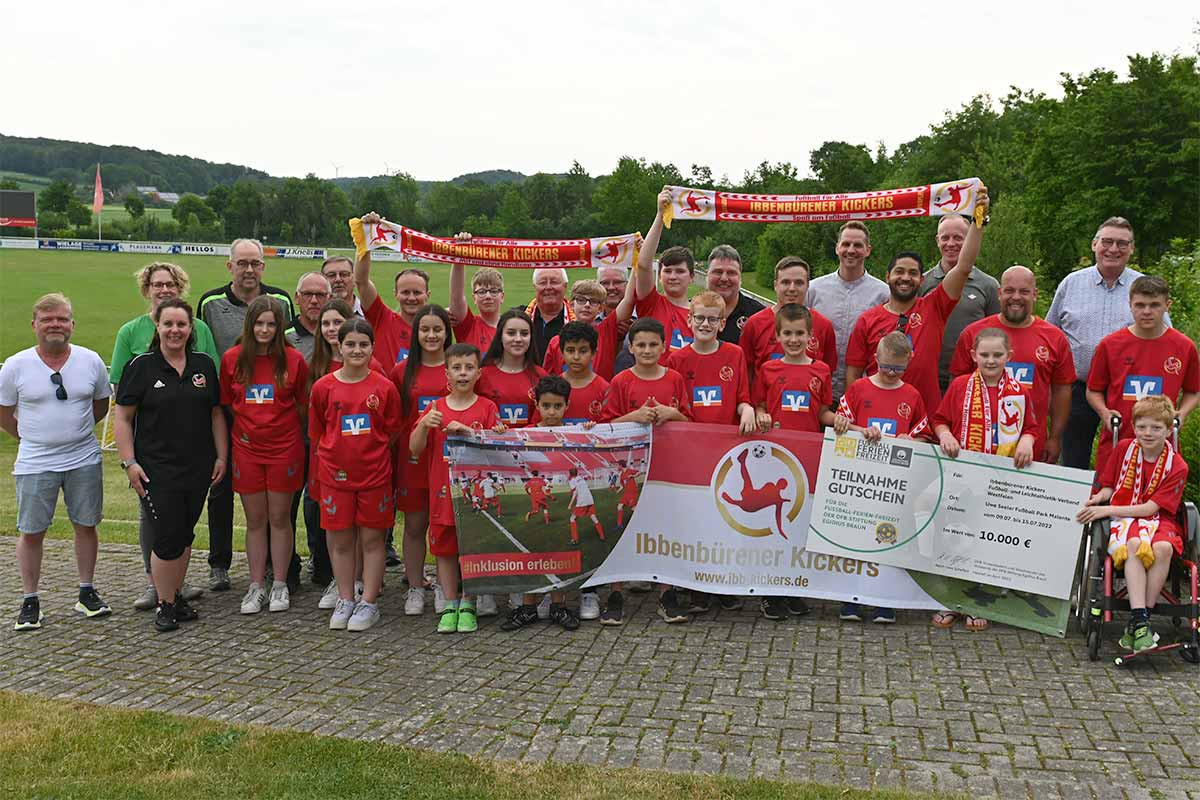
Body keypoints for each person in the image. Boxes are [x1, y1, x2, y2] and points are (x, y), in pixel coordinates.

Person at [113, 298, 228, 632]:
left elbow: (216, 414)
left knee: (185, 532)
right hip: (156, 468)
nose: (175, 330)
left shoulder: (204, 364)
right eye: (169, 324)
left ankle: (175, 596)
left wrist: (221, 456)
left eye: (181, 324)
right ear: (158, 327)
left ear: (191, 329)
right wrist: (129, 462)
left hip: (199, 465)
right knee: (167, 535)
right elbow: (123, 417)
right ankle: (164, 605)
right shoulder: (141, 366)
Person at [1, 293, 112, 631]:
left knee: (86, 524)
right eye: (48, 319)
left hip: (83, 457)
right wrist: (31, 437)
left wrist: (73, 433)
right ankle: (30, 599)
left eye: (62, 319)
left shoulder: (90, 360)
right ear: (35, 325)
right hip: (35, 461)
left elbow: (101, 405)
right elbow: (4, 413)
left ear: (72, 325)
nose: (56, 325)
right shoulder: (15, 365)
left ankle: (86, 591)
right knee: (32, 530)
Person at [198, 237, 295, 592]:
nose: (249, 269)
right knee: (220, 489)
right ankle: (219, 563)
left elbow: (290, 346)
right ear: (230, 266)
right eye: (242, 263)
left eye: (255, 263)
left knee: (276, 502)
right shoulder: (210, 301)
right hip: (228, 408)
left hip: (273, 416)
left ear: (263, 266)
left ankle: (276, 566)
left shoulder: (281, 299)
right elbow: (201, 347)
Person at [845, 189, 990, 415]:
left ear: (921, 280)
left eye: (912, 273)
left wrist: (978, 222)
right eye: (899, 272)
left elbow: (963, 267)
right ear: (887, 276)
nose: (905, 277)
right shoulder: (868, 319)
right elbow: (853, 374)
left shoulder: (934, 307)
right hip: (875, 416)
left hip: (924, 417)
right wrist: (852, 414)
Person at [931, 327, 1038, 632]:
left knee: (986, 538)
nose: (991, 361)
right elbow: (939, 420)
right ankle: (949, 598)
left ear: (1009, 356)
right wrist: (946, 434)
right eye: (985, 355)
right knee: (954, 534)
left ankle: (977, 600)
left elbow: (1032, 427)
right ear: (973, 355)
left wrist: (1028, 441)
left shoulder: (1019, 392)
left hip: (1000, 479)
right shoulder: (961, 386)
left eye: (997, 355)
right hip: (962, 475)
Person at [1046, 217, 1165, 469]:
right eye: (1107, 242)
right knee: (1073, 463)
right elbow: (1051, 336)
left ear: (1132, 249)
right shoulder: (1071, 283)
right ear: (1094, 245)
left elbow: (1165, 338)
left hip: (1131, 392)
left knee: (1128, 462)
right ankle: (1076, 508)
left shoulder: (1144, 287)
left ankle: (1118, 509)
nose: (1113, 249)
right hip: (1077, 389)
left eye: (1122, 243)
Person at [308, 318, 403, 632]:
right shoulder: (324, 387)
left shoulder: (384, 387)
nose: (357, 350)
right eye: (351, 344)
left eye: (364, 344)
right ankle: (346, 597)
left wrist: (369, 455)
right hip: (335, 478)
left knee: (373, 541)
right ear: (339, 346)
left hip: (374, 477)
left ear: (372, 348)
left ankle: (369, 602)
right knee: (341, 542)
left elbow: (391, 430)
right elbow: (318, 432)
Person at [666, 291, 756, 616]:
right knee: (695, 520)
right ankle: (696, 586)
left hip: (727, 452)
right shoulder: (676, 360)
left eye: (712, 319)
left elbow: (743, 396)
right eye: (699, 318)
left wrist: (746, 409)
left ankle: (724, 584)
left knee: (726, 519)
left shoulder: (734, 354)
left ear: (722, 323)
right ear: (689, 321)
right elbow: (675, 405)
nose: (705, 324)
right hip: (691, 454)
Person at [833, 331, 932, 625]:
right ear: (875, 358)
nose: (890, 373)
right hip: (859, 482)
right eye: (886, 366)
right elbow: (840, 423)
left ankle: (884, 602)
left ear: (908, 362)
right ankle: (850, 598)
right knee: (855, 538)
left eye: (898, 369)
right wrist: (858, 430)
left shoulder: (912, 395)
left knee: (888, 539)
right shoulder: (859, 389)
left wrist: (909, 440)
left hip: (894, 486)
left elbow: (924, 435)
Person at [1076, 396, 1189, 652]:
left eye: (1156, 428)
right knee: (1136, 543)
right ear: (1134, 426)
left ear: (1169, 430)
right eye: (1142, 427)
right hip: (1126, 519)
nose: (1147, 433)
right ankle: (1141, 622)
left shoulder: (1177, 465)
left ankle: (1140, 620)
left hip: (1160, 519)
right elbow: (1108, 486)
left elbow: (1151, 509)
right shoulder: (1124, 448)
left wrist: (1107, 508)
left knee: (1163, 549)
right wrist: (1097, 499)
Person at [219, 296, 309, 615]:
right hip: (247, 450)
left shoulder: (294, 360)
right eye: (260, 323)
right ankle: (256, 585)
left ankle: (280, 583)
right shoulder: (232, 359)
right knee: (256, 520)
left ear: (280, 326)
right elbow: (228, 403)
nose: (265, 329)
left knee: (280, 518)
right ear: (250, 324)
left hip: (285, 449)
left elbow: (301, 405)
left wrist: (277, 428)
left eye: (272, 324)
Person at [604, 317, 692, 624]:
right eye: (640, 344)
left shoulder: (675, 379)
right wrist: (635, 416)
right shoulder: (621, 381)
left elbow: (692, 426)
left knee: (666, 529)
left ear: (664, 346)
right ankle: (615, 592)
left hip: (667, 467)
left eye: (653, 344)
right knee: (624, 528)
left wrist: (673, 413)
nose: (647, 349)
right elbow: (607, 427)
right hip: (632, 468)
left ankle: (667, 593)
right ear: (630, 347)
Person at [409, 343, 501, 635]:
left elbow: (496, 452)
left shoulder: (487, 407)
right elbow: (414, 449)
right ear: (446, 372)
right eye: (457, 368)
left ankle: (469, 602)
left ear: (478, 373)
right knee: (445, 549)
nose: (463, 373)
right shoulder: (435, 407)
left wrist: (475, 433)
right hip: (442, 492)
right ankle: (450, 603)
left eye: (469, 368)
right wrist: (424, 425)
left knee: (470, 547)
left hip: (472, 494)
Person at [751, 303, 835, 622]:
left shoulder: (821, 370)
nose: (794, 339)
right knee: (776, 525)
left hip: (808, 459)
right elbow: (760, 405)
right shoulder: (769, 370)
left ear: (811, 336)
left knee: (800, 523)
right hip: (775, 461)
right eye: (788, 333)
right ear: (777, 336)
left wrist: (837, 421)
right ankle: (771, 591)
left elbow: (823, 411)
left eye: (800, 333)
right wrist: (761, 415)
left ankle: (793, 587)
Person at [950, 266, 1075, 463]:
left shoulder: (1054, 338)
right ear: (999, 294)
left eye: (1024, 291)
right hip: (975, 445)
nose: (1016, 297)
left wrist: (1055, 437)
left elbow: (1062, 390)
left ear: (1035, 295)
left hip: (1029, 446)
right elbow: (956, 388)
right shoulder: (973, 333)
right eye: (1009, 291)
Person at [1086, 275, 1199, 478]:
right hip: (1117, 443)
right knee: (1110, 502)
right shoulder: (1110, 345)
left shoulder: (1184, 346)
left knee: (1156, 504)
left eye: (1154, 305)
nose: (1146, 312)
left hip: (1162, 445)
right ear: (1130, 305)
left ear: (1167, 305)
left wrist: (1182, 414)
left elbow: (1193, 391)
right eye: (1140, 305)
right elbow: (1093, 390)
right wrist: (1104, 412)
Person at [500, 376, 583, 632]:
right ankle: (527, 607)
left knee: (558, 551)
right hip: (537, 494)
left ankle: (559, 605)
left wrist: (589, 428)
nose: (551, 412)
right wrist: (501, 433)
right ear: (536, 404)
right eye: (546, 405)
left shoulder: (571, 433)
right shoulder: (524, 433)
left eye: (557, 406)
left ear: (567, 406)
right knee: (530, 555)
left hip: (550, 491)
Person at [391, 304, 453, 616]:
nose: (431, 335)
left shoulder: (457, 366)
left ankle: (445, 585)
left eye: (437, 329)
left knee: (446, 527)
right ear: (416, 334)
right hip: (412, 460)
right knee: (415, 526)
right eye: (424, 329)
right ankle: (415, 586)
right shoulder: (402, 371)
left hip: (449, 462)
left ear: (446, 332)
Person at [806, 221, 890, 398]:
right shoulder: (813, 290)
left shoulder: (883, 294)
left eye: (858, 245)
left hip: (863, 392)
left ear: (868, 250)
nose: (851, 250)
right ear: (837, 248)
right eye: (846, 244)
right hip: (816, 389)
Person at [918, 214, 1001, 392]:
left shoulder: (988, 285)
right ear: (937, 240)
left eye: (958, 238)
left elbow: (997, 334)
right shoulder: (921, 282)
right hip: (929, 378)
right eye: (945, 238)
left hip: (973, 378)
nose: (951, 244)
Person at [739, 257, 837, 382]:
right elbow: (746, 372)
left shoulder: (823, 326)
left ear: (808, 285)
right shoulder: (754, 324)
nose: (792, 288)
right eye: (785, 282)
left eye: (799, 283)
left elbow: (827, 372)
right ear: (775, 285)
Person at [353, 213, 432, 367]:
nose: (411, 297)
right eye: (405, 292)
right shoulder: (382, 319)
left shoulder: (435, 330)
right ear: (395, 294)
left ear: (427, 295)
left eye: (417, 292)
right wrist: (367, 237)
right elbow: (361, 281)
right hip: (385, 391)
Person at [635, 189, 697, 356]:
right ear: (660, 277)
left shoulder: (701, 314)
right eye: (667, 271)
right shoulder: (652, 303)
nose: (673, 276)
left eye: (680, 271)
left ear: (692, 277)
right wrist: (660, 215)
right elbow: (643, 265)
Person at [541, 279, 633, 380]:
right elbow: (547, 379)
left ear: (600, 308)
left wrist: (637, 266)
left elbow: (628, 300)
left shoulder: (606, 331)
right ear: (571, 304)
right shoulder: (556, 342)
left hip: (600, 394)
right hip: (565, 394)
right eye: (581, 300)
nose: (587, 305)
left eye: (593, 301)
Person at [478, 309, 547, 429]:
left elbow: (544, 422)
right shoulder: (482, 375)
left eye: (524, 334)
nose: (518, 339)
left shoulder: (540, 376)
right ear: (500, 336)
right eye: (511, 333)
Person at [703, 244, 765, 345]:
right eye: (718, 272)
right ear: (707, 274)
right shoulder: (689, 311)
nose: (724, 278)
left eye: (731, 273)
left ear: (740, 278)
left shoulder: (758, 315)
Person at [449, 260, 504, 354]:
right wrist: (458, 256)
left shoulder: (512, 328)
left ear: (502, 297)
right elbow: (456, 297)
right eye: (482, 292)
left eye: (493, 291)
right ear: (474, 298)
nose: (488, 296)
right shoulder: (468, 326)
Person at [527, 268, 573, 363]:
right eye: (543, 282)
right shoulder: (519, 318)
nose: (548, 287)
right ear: (535, 287)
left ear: (565, 286)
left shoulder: (578, 320)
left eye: (554, 282)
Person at [284, 272, 333, 361]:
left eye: (320, 295)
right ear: (297, 298)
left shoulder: (339, 335)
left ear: (330, 299)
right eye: (307, 294)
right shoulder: (283, 337)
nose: (314, 301)